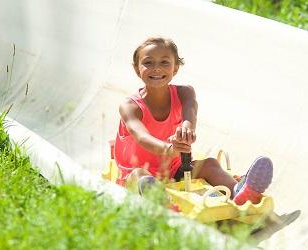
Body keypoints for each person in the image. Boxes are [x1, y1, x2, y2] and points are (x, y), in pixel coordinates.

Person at [113, 37, 273, 205]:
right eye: (148, 63)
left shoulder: (185, 93)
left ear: (176, 68)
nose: (157, 68)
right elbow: (141, 137)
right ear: (137, 69)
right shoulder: (130, 106)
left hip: (173, 169)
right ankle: (161, 203)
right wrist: (169, 149)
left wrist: (186, 129)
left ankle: (239, 191)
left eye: (165, 62)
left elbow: (190, 113)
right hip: (135, 171)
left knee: (210, 164)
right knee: (140, 176)